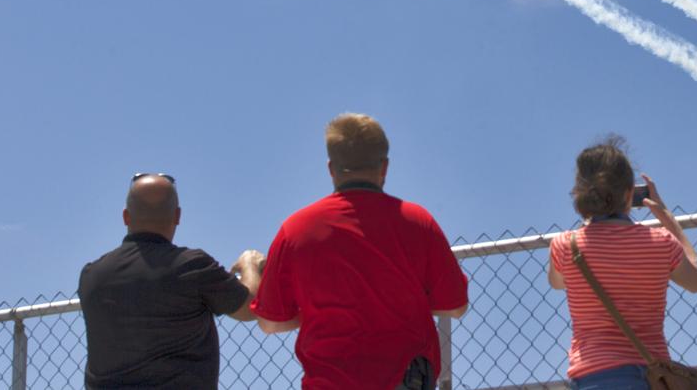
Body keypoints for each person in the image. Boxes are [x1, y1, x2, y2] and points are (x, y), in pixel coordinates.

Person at [252, 113, 469, 390]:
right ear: (384, 167)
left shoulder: (296, 230)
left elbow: (270, 322)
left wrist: (319, 311)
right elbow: (456, 306)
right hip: (405, 381)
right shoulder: (418, 222)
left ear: (331, 168)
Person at [548, 136, 697, 390]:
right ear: (630, 193)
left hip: (592, 377)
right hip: (651, 377)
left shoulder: (566, 245)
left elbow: (557, 283)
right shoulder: (661, 241)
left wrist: (588, 223)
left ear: (581, 193)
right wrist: (669, 220)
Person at [78, 173, 264, 389]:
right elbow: (251, 307)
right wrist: (250, 263)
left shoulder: (91, 276)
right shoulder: (192, 266)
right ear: (177, 216)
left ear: (125, 217)